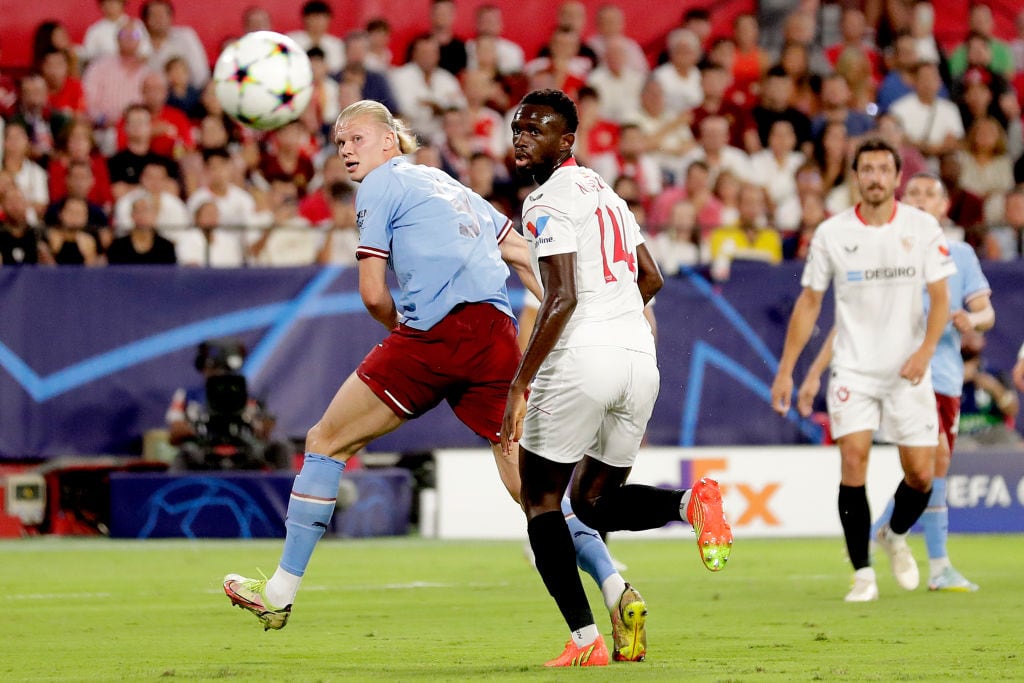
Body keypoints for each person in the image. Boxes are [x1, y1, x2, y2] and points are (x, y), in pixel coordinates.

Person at [223, 101, 641, 661]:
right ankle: (617, 590)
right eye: (339, 142)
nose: (345, 150)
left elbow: (373, 292)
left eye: (356, 139)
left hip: (435, 337)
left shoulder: (376, 187)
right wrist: (584, 314)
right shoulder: (447, 184)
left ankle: (279, 592)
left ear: (390, 141)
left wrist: (403, 330)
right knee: (535, 493)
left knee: (325, 441)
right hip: (493, 333)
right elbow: (519, 252)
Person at [502, 89, 732, 667]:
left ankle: (585, 642)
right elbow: (650, 276)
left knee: (541, 501)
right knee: (598, 503)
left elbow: (560, 297)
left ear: (567, 141)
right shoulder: (606, 193)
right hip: (638, 356)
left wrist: (519, 384)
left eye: (538, 128)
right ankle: (691, 505)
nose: (523, 136)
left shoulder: (545, 201)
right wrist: (620, 315)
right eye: (518, 127)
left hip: (583, 357)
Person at [770, 139, 956, 602]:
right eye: (866, 169)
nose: (874, 177)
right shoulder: (832, 234)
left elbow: (941, 298)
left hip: (909, 370)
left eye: (883, 169)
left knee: (921, 474)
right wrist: (788, 370)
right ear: (856, 176)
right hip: (853, 369)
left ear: (896, 177)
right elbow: (810, 301)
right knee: (853, 459)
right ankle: (863, 574)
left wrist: (926, 351)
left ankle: (892, 535)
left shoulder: (923, 227)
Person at [797, 173, 996, 592]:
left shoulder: (959, 255)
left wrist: (970, 319)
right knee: (923, 460)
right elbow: (851, 322)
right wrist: (814, 372)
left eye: (932, 195)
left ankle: (904, 540)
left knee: (931, 470)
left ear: (944, 208)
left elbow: (986, 312)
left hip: (941, 374)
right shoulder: (885, 248)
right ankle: (910, 553)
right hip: (886, 374)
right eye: (915, 194)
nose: (922, 201)